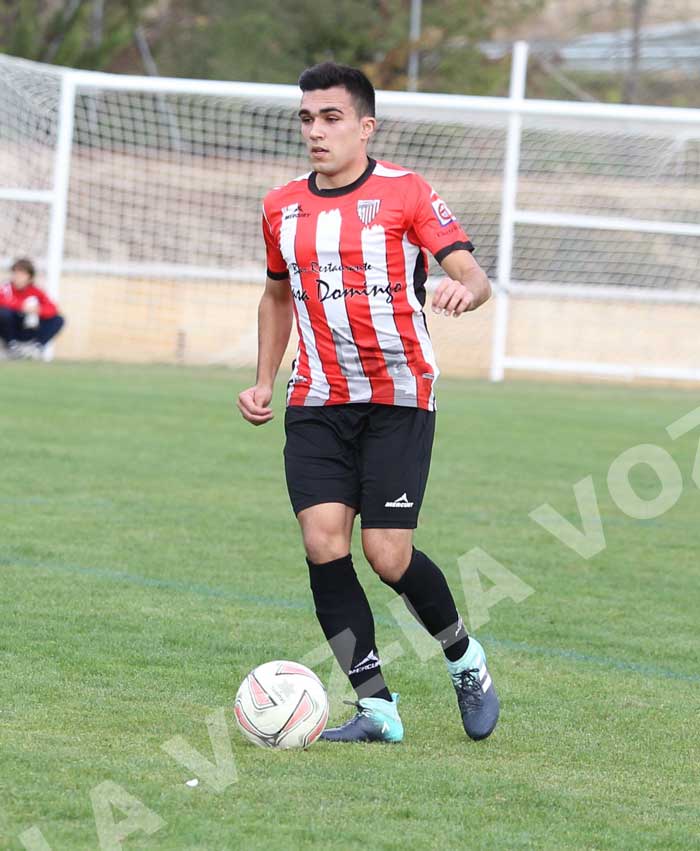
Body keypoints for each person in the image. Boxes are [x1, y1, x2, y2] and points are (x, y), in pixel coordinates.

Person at [237, 62, 499, 743]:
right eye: (307, 119)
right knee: (323, 541)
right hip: (317, 398)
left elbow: (473, 274)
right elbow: (275, 296)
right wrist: (264, 378)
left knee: (387, 554)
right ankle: (377, 707)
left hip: (398, 399)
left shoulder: (406, 192)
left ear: (365, 126)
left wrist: (465, 290)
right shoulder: (280, 206)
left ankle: (464, 657)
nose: (316, 131)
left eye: (331, 118)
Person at [0, 258, 65, 360]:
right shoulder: (6, 288)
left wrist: (38, 310)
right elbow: (2, 300)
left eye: (22, 274)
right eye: (15, 273)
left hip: (30, 328)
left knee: (58, 319)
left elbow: (52, 309)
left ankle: (36, 348)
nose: (18, 277)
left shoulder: (36, 291)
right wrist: (22, 306)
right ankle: (11, 346)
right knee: (4, 313)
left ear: (30, 277)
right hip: (12, 328)